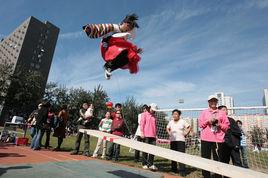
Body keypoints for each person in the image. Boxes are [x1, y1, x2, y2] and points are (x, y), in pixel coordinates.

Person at [83, 13, 142, 80]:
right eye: (128, 26)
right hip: (107, 46)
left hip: (117, 49)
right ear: (124, 23)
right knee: (124, 49)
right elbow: (101, 28)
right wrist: (90, 29)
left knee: (128, 57)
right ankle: (109, 66)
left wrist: (136, 51)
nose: (128, 29)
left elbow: (126, 45)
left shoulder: (124, 36)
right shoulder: (114, 27)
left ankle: (109, 68)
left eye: (130, 29)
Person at [198, 95, 229, 178]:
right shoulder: (204, 112)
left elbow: (226, 127)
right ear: (208, 102)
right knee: (205, 159)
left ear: (217, 102)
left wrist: (219, 124)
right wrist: (208, 121)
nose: (213, 102)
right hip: (205, 139)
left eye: (214, 101)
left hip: (218, 140)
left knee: (218, 160)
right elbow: (200, 125)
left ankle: (218, 176)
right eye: (211, 101)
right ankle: (206, 176)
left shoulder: (221, 113)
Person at [166, 109, 191, 177]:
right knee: (173, 155)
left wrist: (186, 133)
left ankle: (182, 171)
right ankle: (174, 169)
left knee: (181, 156)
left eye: (176, 114)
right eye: (173, 114)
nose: (174, 115)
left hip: (181, 140)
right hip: (173, 141)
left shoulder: (183, 121)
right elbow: (167, 128)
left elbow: (189, 127)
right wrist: (169, 133)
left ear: (179, 115)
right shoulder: (170, 122)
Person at [140, 103, 158, 171]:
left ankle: (150, 164)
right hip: (146, 135)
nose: (153, 111)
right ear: (149, 107)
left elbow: (155, 126)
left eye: (154, 110)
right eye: (152, 109)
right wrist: (142, 132)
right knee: (145, 150)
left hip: (153, 135)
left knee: (152, 151)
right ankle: (144, 164)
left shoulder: (154, 116)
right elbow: (142, 123)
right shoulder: (144, 114)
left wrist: (156, 134)